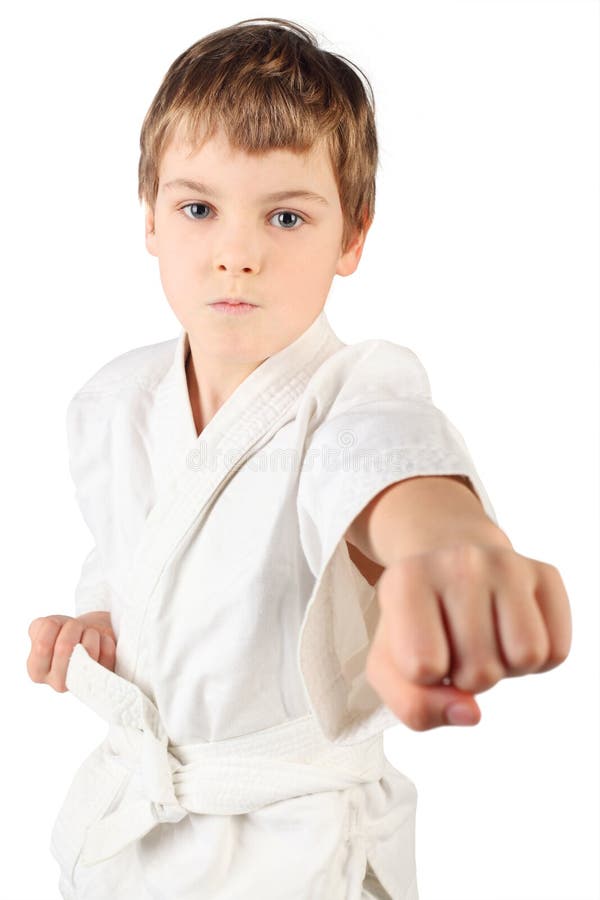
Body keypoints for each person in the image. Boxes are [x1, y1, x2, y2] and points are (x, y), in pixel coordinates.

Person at [26, 17, 572, 900]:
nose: (236, 253)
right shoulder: (112, 404)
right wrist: (99, 626)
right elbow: (137, 568)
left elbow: (390, 468)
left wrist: (443, 548)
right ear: (151, 219)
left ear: (353, 236)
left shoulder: (355, 391)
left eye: (286, 216)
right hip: (138, 840)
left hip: (296, 855)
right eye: (198, 208)